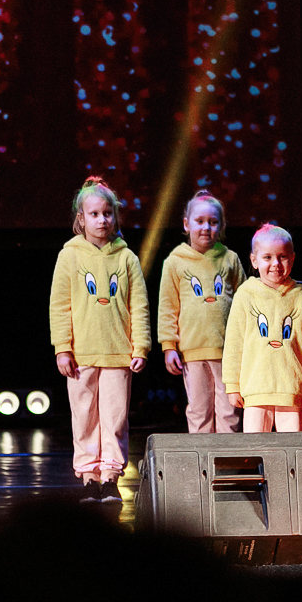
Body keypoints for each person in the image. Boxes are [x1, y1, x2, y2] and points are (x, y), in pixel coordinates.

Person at [48, 176, 149, 502]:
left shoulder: (126, 258)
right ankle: (89, 475)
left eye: (107, 213)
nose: (101, 220)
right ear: (81, 218)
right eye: (94, 214)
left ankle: (111, 476)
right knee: (84, 417)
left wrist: (141, 346)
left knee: (115, 419)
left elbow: (139, 305)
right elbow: (60, 306)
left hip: (118, 353)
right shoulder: (69, 256)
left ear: (114, 217)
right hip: (81, 355)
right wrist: (62, 349)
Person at [223, 224, 302, 433]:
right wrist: (232, 385)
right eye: (267, 257)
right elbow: (234, 344)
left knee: (292, 448)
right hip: (255, 391)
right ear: (254, 260)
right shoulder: (245, 296)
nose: (276, 264)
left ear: (292, 258)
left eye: (282, 257)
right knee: (256, 447)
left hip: (292, 391)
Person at [158, 190, 246, 433]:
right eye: (199, 221)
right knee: (199, 411)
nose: (206, 227)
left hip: (228, 352)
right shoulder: (175, 261)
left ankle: (227, 455)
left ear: (222, 226)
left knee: (229, 410)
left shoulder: (230, 259)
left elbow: (245, 302)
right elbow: (168, 307)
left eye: (213, 222)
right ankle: (202, 457)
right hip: (192, 351)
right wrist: (169, 347)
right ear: (186, 224)